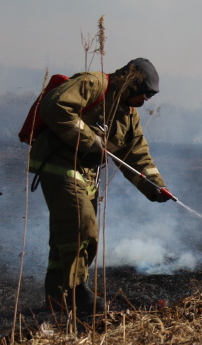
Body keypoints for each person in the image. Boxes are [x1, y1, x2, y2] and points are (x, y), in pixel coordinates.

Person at [29, 58, 173, 314]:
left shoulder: (129, 115)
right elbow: (54, 106)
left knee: (66, 237)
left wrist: (154, 186)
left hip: (86, 174)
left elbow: (136, 154)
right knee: (82, 229)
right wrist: (88, 141)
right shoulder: (93, 84)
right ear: (130, 83)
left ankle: (56, 298)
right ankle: (76, 292)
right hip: (59, 165)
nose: (143, 102)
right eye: (142, 95)